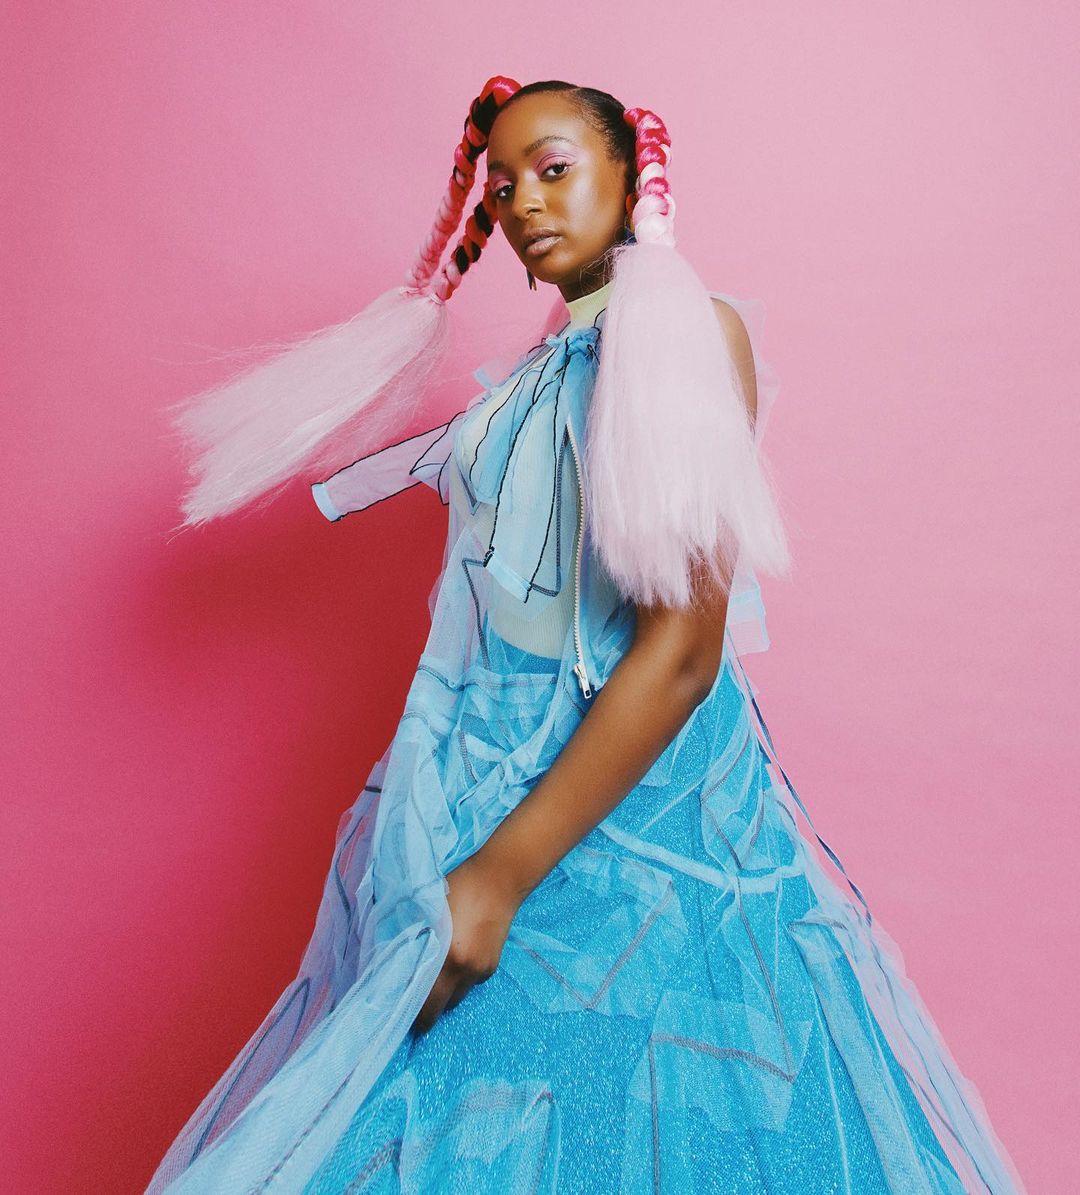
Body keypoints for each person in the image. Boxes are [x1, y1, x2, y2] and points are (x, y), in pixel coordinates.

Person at [148, 78, 1026, 1194]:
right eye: (502, 186)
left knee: (630, 1128)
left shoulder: (683, 338)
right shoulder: (541, 372)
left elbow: (684, 649)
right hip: (491, 792)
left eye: (554, 169)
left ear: (628, 174)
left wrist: (499, 876)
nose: (522, 202)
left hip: (626, 828)